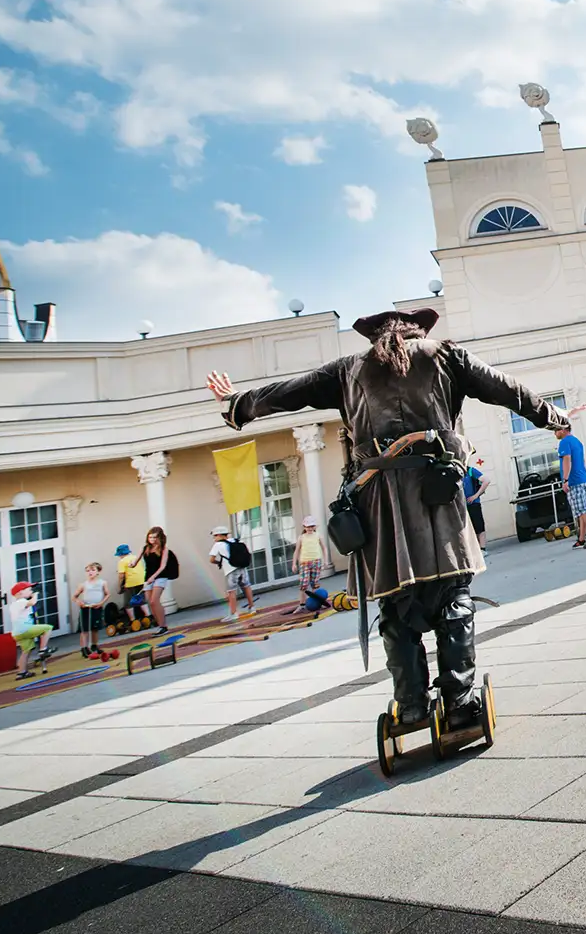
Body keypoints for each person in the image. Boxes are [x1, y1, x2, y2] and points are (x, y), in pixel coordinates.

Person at [208, 307, 567, 733]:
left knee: (396, 607)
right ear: (417, 329)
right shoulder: (444, 355)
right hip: (436, 489)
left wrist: (236, 405)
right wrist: (554, 418)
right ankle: (460, 700)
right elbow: (507, 389)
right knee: (452, 596)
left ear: (374, 335)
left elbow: (288, 391)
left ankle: (412, 706)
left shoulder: (348, 369)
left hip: (377, 501)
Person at [555, 422, 586, 548]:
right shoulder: (577, 441)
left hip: (574, 481)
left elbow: (567, 460)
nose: (555, 433)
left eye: (556, 430)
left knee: (582, 511)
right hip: (582, 479)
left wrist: (565, 480)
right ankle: (581, 539)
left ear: (563, 429)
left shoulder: (564, 442)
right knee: (581, 512)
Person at [209, 524, 256, 622]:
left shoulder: (218, 545)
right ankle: (252, 607)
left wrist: (219, 562)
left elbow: (211, 559)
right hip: (242, 567)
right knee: (246, 586)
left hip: (230, 570)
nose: (214, 538)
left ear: (219, 535)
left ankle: (233, 613)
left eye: (215, 536)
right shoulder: (236, 541)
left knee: (231, 592)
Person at [7, 580, 53, 678]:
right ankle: (43, 649)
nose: (31, 591)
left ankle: (22, 672)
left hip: (18, 632)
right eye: (29, 589)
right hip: (25, 629)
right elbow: (32, 603)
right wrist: (35, 595)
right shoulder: (21, 602)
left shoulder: (15, 604)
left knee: (26, 650)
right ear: (20, 592)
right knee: (48, 628)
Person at [140, 526, 179, 631]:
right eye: (150, 537)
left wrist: (153, 577)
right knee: (149, 602)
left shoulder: (164, 550)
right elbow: (137, 559)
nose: (152, 540)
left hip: (160, 576)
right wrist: (132, 564)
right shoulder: (146, 548)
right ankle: (159, 624)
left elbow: (163, 566)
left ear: (159, 538)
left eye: (154, 537)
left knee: (154, 600)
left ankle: (163, 625)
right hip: (148, 577)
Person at [72, 562, 107, 658]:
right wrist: (79, 602)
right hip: (86, 609)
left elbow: (107, 594)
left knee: (95, 628)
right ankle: (84, 647)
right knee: (85, 629)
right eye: (88, 571)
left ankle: (94, 645)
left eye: (92, 570)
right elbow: (74, 597)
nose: (90, 572)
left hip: (96, 607)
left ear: (98, 572)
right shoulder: (83, 585)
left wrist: (101, 603)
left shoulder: (102, 583)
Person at [294, 516, 326, 605]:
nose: (310, 528)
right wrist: (294, 563)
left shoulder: (318, 535)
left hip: (316, 561)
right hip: (304, 562)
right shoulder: (301, 537)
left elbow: (324, 548)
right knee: (304, 583)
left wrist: (325, 561)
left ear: (315, 527)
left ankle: (315, 602)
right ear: (304, 527)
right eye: (308, 527)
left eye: (312, 526)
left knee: (315, 583)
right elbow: (297, 550)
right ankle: (302, 604)